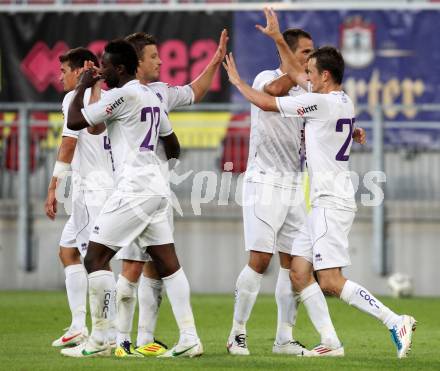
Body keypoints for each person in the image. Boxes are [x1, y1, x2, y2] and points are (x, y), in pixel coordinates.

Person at [223, 7, 416, 359]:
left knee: (328, 279)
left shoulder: (319, 103)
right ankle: (325, 342)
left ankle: (394, 319)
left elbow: (267, 100)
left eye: (311, 70)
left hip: (329, 201)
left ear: (324, 76)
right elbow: (296, 79)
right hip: (318, 196)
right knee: (298, 270)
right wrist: (280, 39)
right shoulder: (342, 101)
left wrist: (237, 83)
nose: (305, 76)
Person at [226, 20, 365, 356]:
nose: (310, 57)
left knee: (294, 266)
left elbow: (327, 115)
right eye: (305, 52)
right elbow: (271, 94)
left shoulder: (310, 90)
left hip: (293, 183)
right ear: (286, 53)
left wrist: (351, 131)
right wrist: (246, 76)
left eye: (311, 53)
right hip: (263, 180)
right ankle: (237, 333)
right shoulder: (265, 78)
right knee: (260, 260)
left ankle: (284, 338)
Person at [61, 39, 202, 358]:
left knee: (94, 258)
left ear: (120, 68)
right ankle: (190, 337)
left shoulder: (123, 95)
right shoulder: (150, 95)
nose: (101, 69)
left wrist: (83, 85)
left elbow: (75, 121)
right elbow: (173, 143)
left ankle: (100, 340)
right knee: (169, 264)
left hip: (133, 187)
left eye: (106, 65)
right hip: (156, 187)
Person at [112, 30, 228, 357]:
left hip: (153, 190)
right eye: (153, 56)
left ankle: (140, 339)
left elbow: (194, 91)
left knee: (154, 266)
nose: (161, 61)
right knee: (138, 266)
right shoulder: (123, 96)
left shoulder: (160, 92)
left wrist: (215, 61)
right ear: (136, 62)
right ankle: (121, 338)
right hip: (134, 189)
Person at [45, 47, 115, 349]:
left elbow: (68, 144)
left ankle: (107, 334)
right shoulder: (107, 96)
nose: (59, 77)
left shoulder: (74, 98)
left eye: (64, 71)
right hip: (104, 185)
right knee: (67, 250)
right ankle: (78, 326)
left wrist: (53, 186)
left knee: (96, 262)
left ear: (77, 71)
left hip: (92, 190)